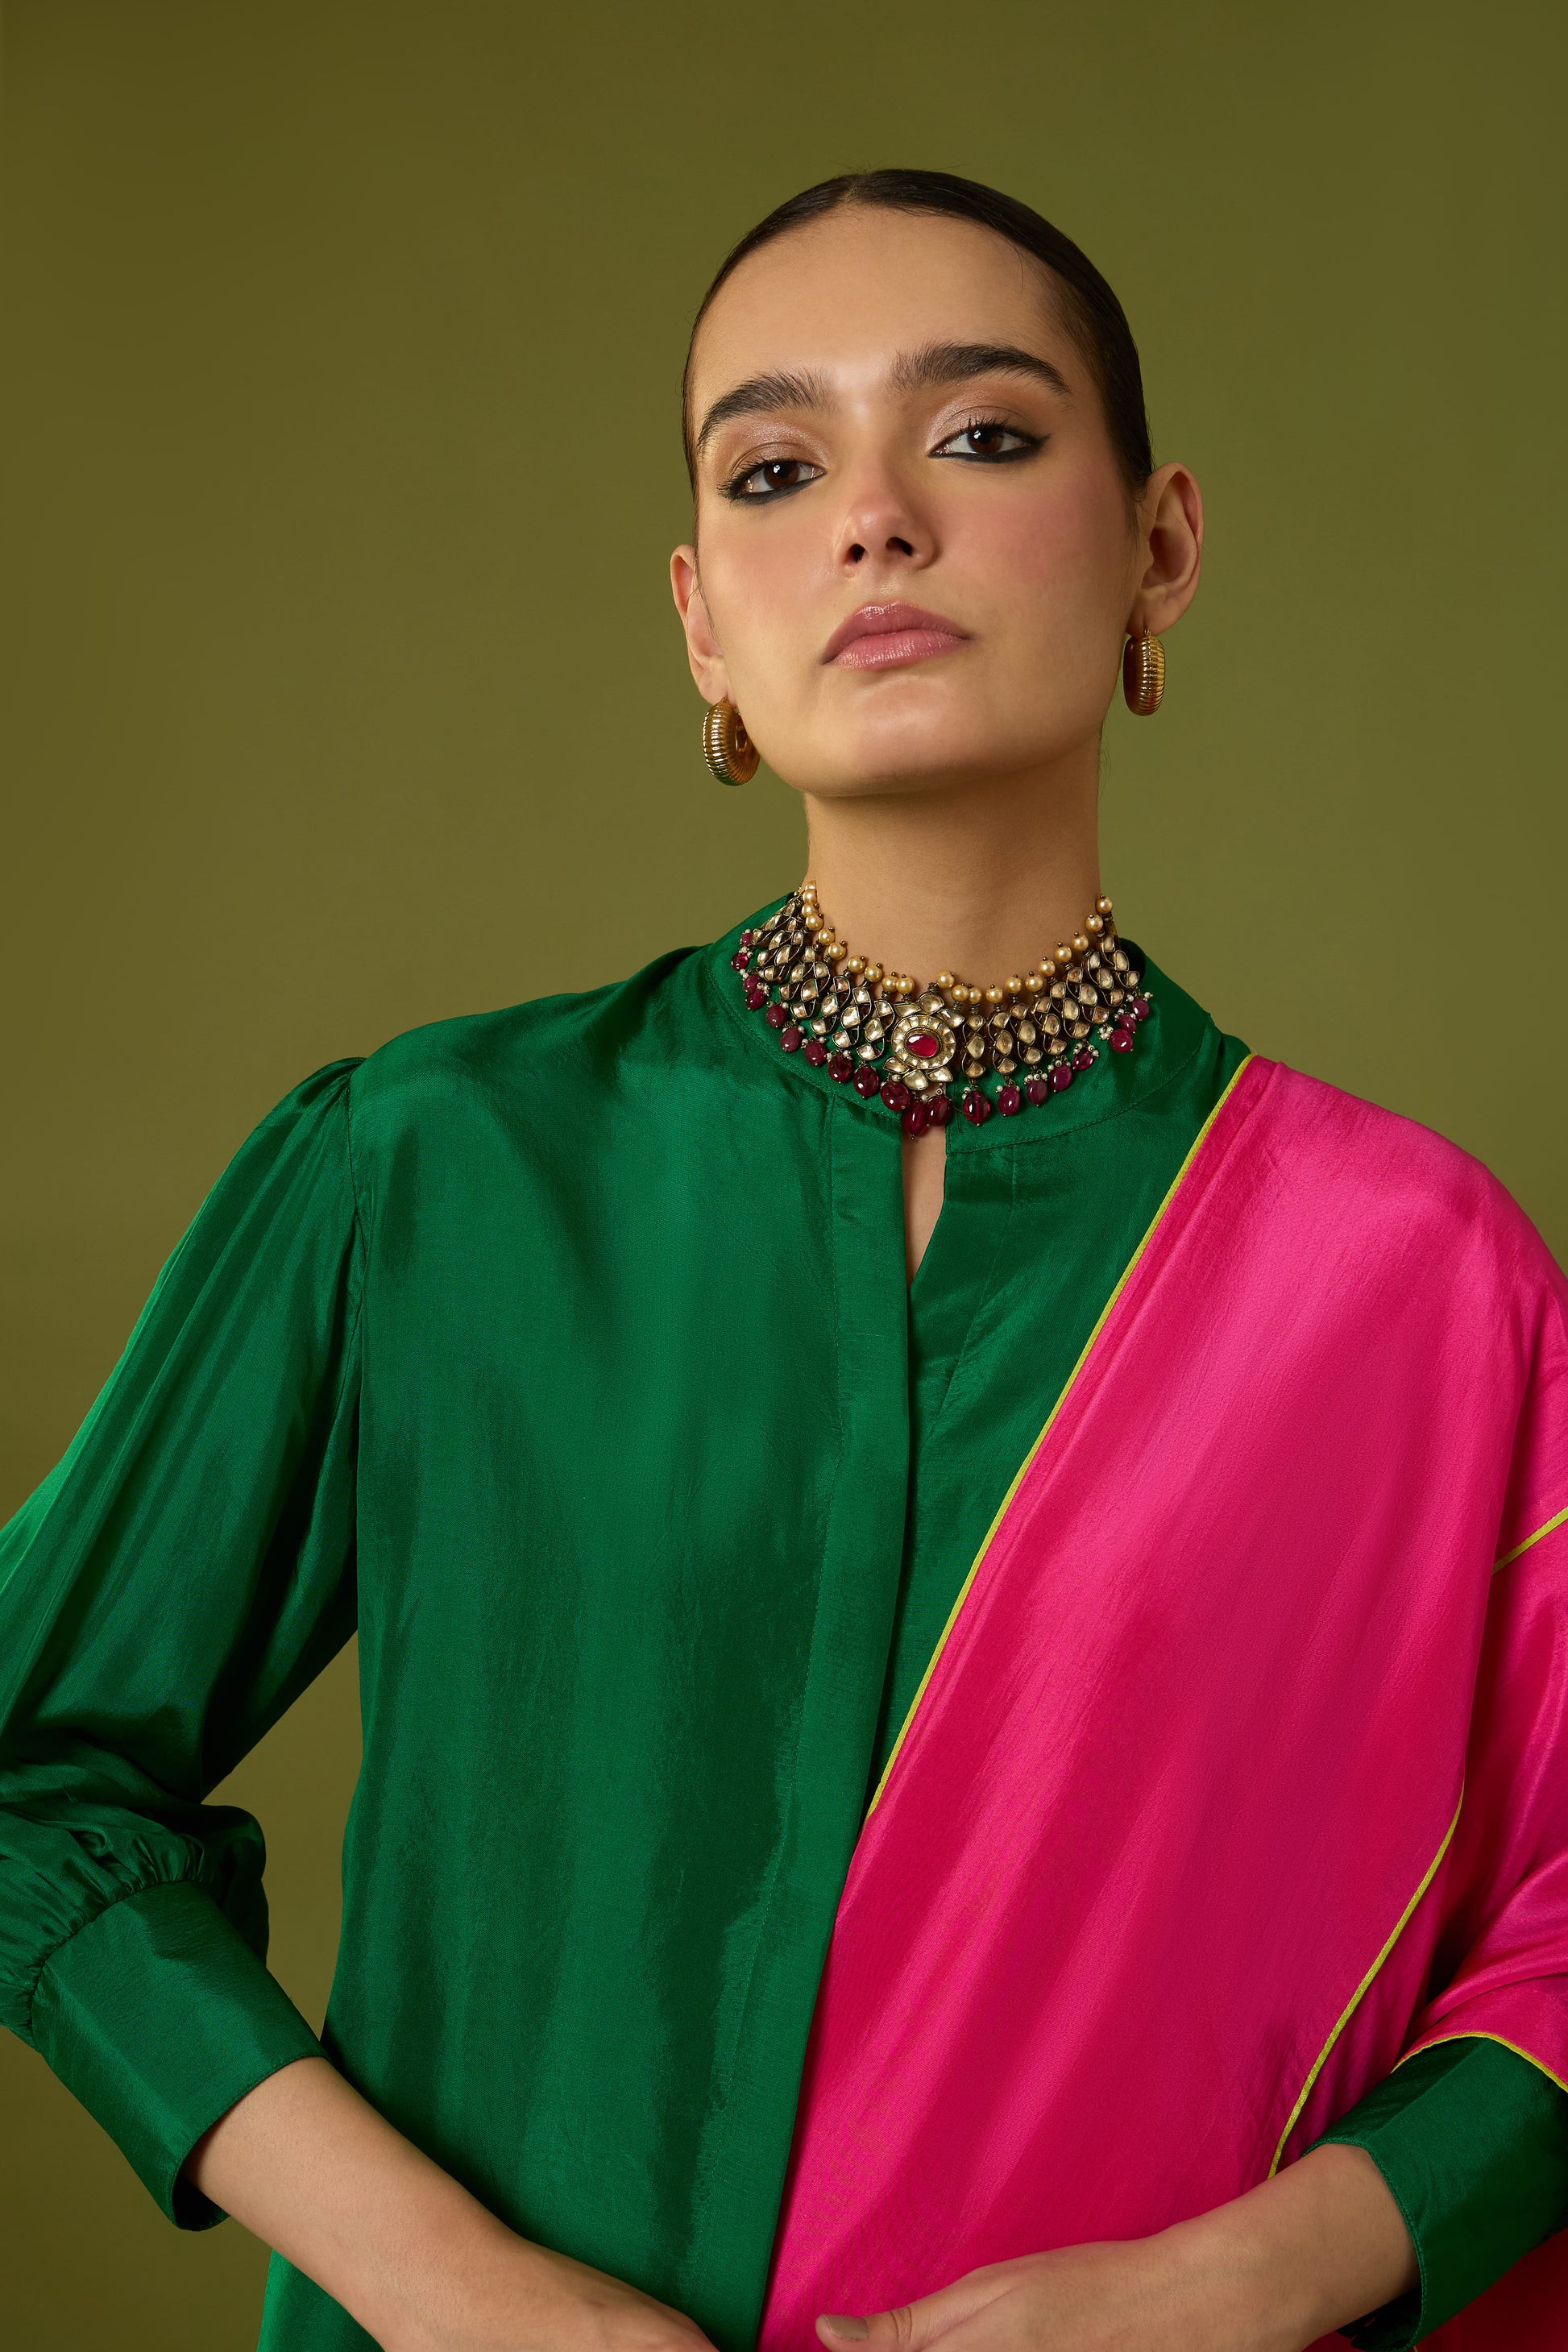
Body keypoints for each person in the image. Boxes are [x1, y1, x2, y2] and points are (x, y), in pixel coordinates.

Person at [2, 168, 1565, 2352]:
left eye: (983, 435)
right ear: (698, 623)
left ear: (1161, 548)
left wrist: (1223, 2289)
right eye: (773, 468)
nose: (874, 522)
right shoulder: (430, 1171)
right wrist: (449, 2292)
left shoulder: (1407, 1277)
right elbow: (28, 1767)